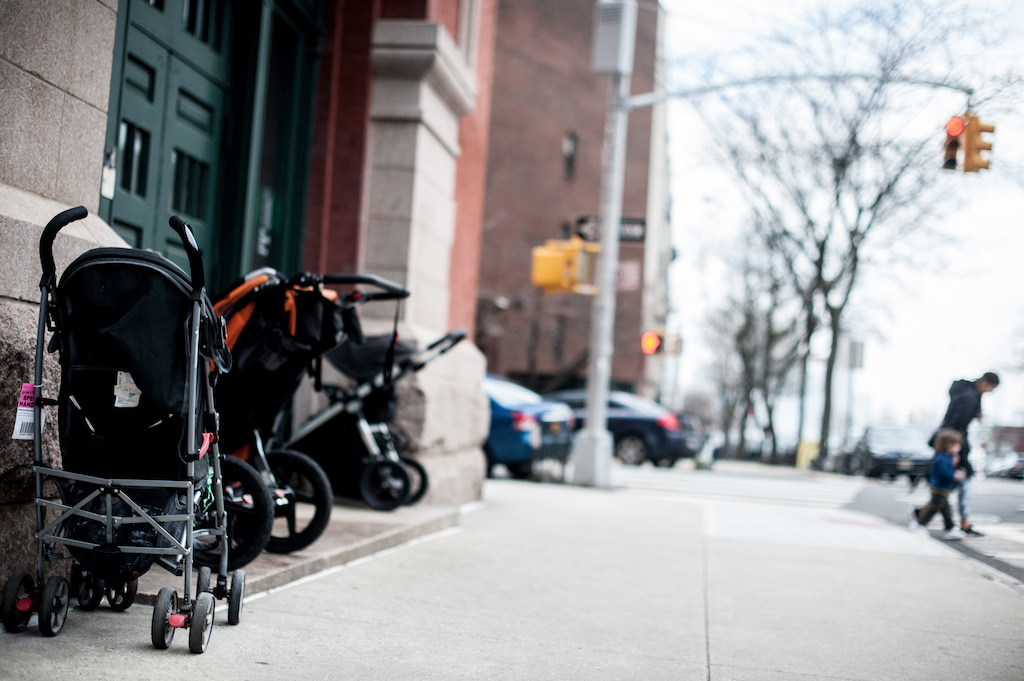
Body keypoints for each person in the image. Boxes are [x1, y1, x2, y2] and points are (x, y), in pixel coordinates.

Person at [930, 372, 999, 537]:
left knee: (947, 488)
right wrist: (954, 448)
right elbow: (956, 422)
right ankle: (959, 523)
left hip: (951, 441)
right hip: (954, 442)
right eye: (990, 388)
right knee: (954, 484)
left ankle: (927, 515)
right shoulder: (969, 397)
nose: (990, 392)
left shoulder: (967, 393)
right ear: (984, 382)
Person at [910, 428, 967, 539]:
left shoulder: (947, 457)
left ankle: (949, 528)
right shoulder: (943, 457)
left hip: (943, 487)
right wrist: (955, 475)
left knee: (945, 508)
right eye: (957, 445)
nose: (959, 448)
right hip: (939, 486)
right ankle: (920, 524)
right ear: (948, 445)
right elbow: (944, 472)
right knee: (934, 507)